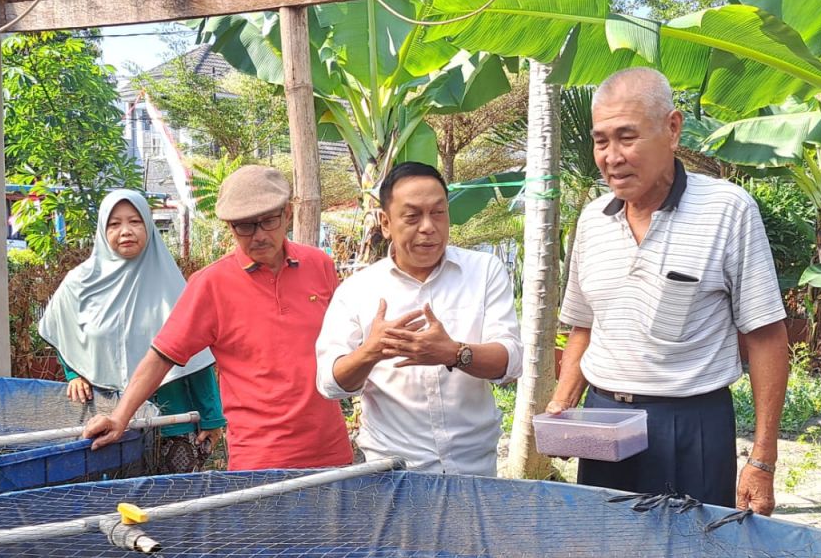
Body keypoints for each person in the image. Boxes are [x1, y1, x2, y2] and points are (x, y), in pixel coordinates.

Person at [546, 67, 790, 511]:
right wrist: (564, 404)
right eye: (601, 141)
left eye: (627, 137)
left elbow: (766, 338)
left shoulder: (728, 209)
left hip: (691, 423)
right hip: (603, 420)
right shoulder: (591, 219)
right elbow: (584, 326)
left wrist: (763, 459)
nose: (612, 156)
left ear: (672, 129)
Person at [84, 166, 353, 472]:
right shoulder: (211, 284)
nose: (260, 235)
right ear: (229, 227)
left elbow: (344, 345)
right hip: (259, 461)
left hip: (331, 452)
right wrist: (120, 417)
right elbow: (162, 355)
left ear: (287, 214)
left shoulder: (319, 265)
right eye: (245, 227)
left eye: (268, 220)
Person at [314, 162, 522, 475]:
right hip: (394, 473)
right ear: (385, 223)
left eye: (438, 213)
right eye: (412, 216)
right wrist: (371, 351)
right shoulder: (357, 290)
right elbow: (330, 383)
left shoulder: (484, 271)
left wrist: (454, 353)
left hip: (475, 469)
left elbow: (511, 362)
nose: (428, 227)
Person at [38, 189, 226, 472]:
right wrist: (73, 373)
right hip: (106, 420)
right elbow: (63, 329)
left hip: (172, 422)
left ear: (149, 227)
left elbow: (196, 359)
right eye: (115, 224)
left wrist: (212, 419)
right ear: (103, 230)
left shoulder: (170, 286)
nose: (125, 231)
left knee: (173, 507)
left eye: (135, 222)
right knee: (115, 508)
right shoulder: (79, 284)